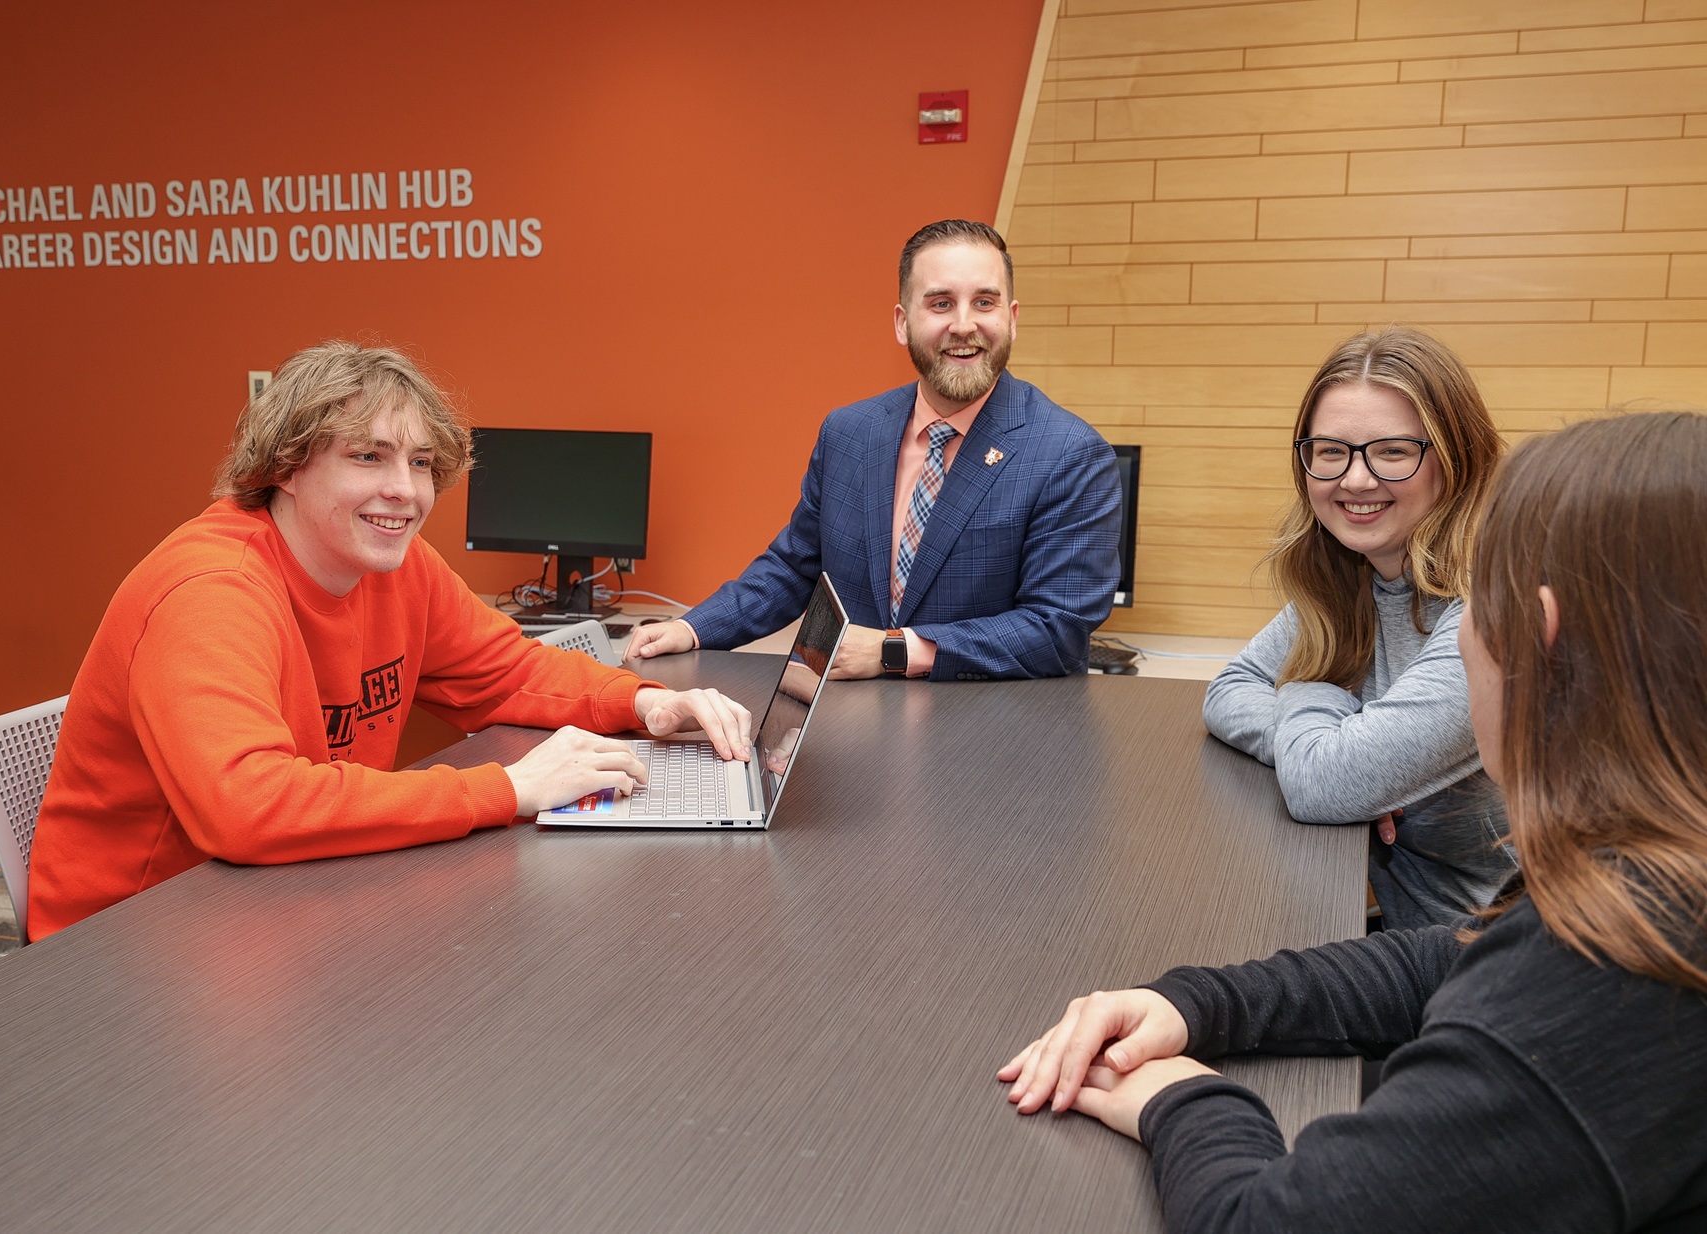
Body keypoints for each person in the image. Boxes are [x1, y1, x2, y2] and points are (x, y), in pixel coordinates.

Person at [997, 412, 1707, 1233]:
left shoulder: (1610, 982)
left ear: (1536, 635)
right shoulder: (1648, 883)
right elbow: (1453, 958)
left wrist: (1183, 1095)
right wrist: (1200, 1002)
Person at [28, 341, 751, 940]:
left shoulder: (396, 567)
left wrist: (646, 703)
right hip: (127, 944)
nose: (405, 490)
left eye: (421, 463)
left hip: (284, 897)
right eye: (368, 457)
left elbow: (508, 671)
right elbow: (248, 807)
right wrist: (507, 789)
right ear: (286, 466)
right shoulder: (210, 591)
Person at [625, 219, 1122, 681]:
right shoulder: (849, 432)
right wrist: (693, 628)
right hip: (842, 722)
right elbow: (794, 567)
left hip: (986, 730)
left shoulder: (1071, 455)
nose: (964, 325)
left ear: (1011, 319)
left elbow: (1057, 628)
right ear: (903, 323)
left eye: (984, 302)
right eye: (941, 303)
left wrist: (894, 650)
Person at [1203, 327, 1510, 929]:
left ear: (1457, 460)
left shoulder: (1492, 605)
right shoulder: (1351, 578)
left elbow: (1323, 784)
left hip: (1498, 956)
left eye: (1392, 451)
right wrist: (1334, 750)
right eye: (1331, 451)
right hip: (1413, 936)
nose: (1356, 480)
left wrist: (1332, 748)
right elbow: (1229, 688)